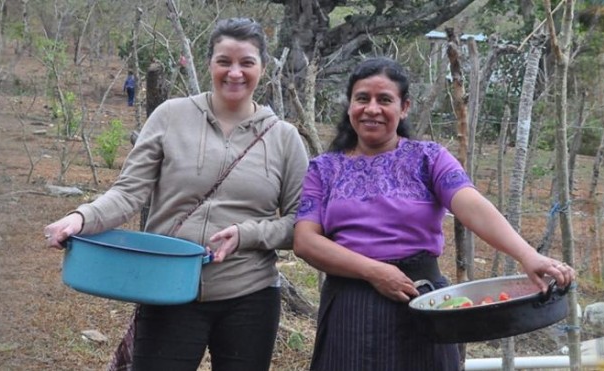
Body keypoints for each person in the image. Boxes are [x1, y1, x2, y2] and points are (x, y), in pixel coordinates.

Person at [44, 18, 309, 371]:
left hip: (250, 294)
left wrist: (248, 235)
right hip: (167, 287)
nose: (234, 73)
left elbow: (300, 223)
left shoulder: (284, 138)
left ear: (263, 67)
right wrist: (81, 217)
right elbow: (128, 193)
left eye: (247, 62)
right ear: (209, 63)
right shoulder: (171, 116)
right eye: (224, 61)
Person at [292, 57, 576, 371]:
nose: (372, 108)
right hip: (349, 304)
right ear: (350, 106)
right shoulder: (324, 169)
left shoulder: (429, 158)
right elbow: (305, 241)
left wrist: (526, 254)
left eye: (384, 99)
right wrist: (373, 271)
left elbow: (471, 205)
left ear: (404, 108)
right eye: (362, 99)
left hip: (422, 300)